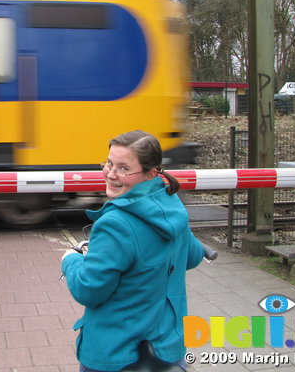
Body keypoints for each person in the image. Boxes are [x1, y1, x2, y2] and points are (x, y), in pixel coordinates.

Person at [60, 130, 205, 372]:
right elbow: (193, 256)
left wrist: (71, 260)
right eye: (109, 163)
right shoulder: (173, 208)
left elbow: (88, 290)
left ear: (150, 174)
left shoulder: (115, 224)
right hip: (167, 351)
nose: (110, 174)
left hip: (116, 355)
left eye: (124, 168)